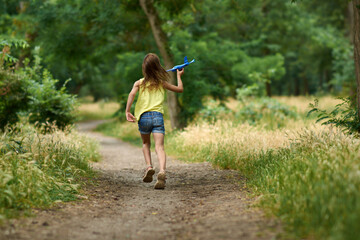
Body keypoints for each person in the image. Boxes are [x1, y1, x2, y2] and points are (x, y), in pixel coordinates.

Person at [125, 53, 184, 189]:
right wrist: (178, 76)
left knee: (146, 143)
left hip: (143, 117)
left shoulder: (139, 83)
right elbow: (180, 90)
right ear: (158, 67)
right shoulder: (161, 83)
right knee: (160, 147)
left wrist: (127, 111)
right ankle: (162, 171)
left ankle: (149, 167)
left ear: (144, 68)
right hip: (157, 116)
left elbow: (131, 95)